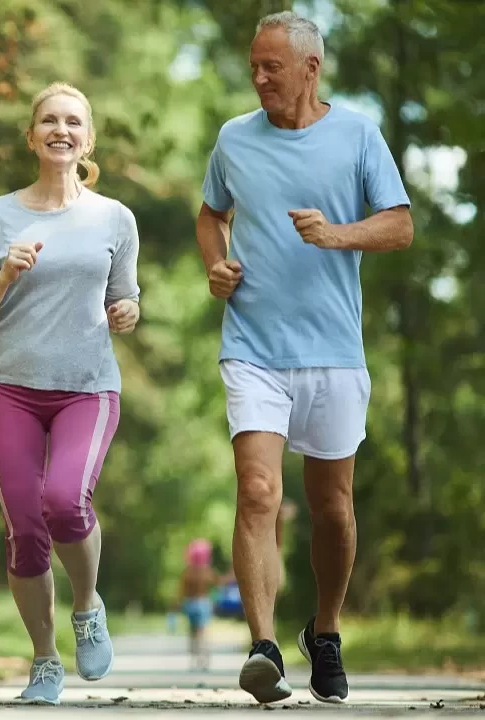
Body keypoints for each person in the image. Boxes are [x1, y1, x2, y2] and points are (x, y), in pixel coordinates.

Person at [196, 10, 413, 706]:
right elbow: (211, 214)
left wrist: (336, 234)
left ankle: (325, 631)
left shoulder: (358, 134)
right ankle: (262, 648)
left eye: (272, 67)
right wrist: (216, 265)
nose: (259, 78)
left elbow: (400, 225)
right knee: (258, 491)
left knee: (333, 509)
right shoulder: (234, 138)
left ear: (310, 69)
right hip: (253, 346)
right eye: (254, 67)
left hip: (334, 352)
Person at [0, 81, 141, 705]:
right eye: (50, 121)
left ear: (88, 140)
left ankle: (86, 607)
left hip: (87, 389)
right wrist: (5, 274)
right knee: (25, 529)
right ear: (31, 137)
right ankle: (43, 659)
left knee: (64, 501)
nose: (62, 130)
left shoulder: (115, 218)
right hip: (9, 389)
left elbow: (125, 298)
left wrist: (127, 313)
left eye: (73, 122)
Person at [175, 539, 221, 671]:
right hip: (203, 603)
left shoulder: (188, 572)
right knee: (203, 632)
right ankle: (204, 657)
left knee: (192, 632)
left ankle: (194, 658)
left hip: (190, 604)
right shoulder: (207, 571)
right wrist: (215, 599)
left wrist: (177, 603)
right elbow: (217, 583)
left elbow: (181, 590)